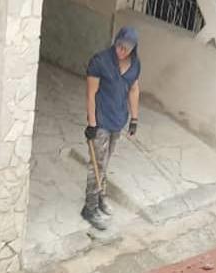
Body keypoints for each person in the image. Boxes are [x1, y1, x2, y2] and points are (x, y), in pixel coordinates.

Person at [81, 27, 141, 230]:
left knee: (105, 162)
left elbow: (133, 89)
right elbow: (91, 94)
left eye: (126, 48)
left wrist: (134, 119)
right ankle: (89, 208)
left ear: (133, 49)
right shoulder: (100, 61)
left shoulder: (134, 65)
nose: (121, 51)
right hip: (101, 122)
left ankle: (99, 198)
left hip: (118, 121)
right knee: (96, 164)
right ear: (115, 42)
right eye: (119, 46)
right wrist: (91, 124)